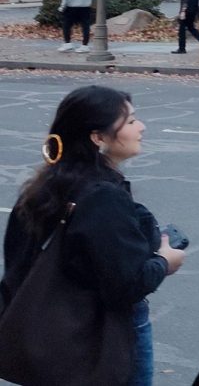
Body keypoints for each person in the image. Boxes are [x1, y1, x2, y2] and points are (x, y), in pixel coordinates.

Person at [2, 85, 186, 386]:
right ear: (98, 138)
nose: (141, 127)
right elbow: (127, 285)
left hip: (47, 339)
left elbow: (16, 270)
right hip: (96, 342)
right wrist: (165, 261)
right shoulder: (102, 197)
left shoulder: (41, 190)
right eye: (130, 121)